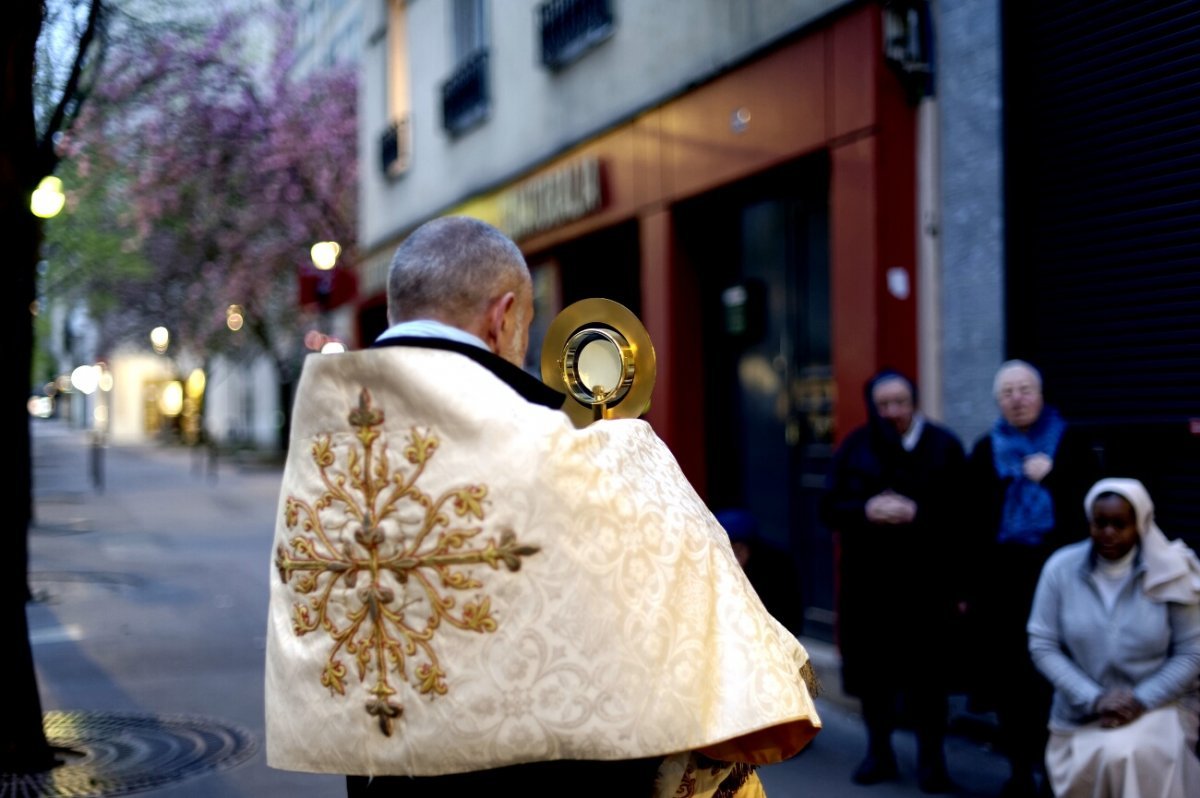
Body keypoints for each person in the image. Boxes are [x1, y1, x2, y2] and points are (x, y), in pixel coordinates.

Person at [263, 216, 821, 798]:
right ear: (503, 317)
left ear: (395, 314)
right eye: (526, 328)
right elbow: (683, 612)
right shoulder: (585, 452)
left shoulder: (326, 442)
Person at [821, 369, 967, 793]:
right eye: (884, 405)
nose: (893, 412)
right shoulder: (854, 447)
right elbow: (829, 508)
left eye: (900, 402)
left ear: (915, 401)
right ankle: (878, 753)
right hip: (870, 586)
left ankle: (932, 763)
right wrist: (866, 510)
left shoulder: (944, 446)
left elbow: (966, 513)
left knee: (930, 678)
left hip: (929, 585)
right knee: (873, 675)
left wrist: (919, 513)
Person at [965, 359, 1100, 797]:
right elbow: (969, 522)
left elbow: (1097, 510)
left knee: (1054, 675)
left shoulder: (1070, 442)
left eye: (1025, 389)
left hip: (1060, 575)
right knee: (1010, 680)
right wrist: (968, 587)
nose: (1017, 398)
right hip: (1003, 583)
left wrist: (1055, 476)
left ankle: (1055, 771)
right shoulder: (986, 449)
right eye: (1007, 392)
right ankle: (1020, 771)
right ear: (998, 401)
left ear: (1041, 395)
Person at [1027, 477, 1200, 798]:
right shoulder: (1060, 569)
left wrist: (1139, 700)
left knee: (1126, 753)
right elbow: (1043, 643)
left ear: (1141, 523)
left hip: (1158, 708)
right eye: (1099, 523)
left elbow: (1192, 652)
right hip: (1079, 710)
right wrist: (1094, 697)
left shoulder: (1175, 571)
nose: (1108, 533)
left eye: (1120, 524)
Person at [716, 507, 806, 637]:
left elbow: (790, 619)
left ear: (750, 547)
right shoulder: (712, 567)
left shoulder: (776, 566)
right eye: (727, 550)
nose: (734, 558)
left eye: (738, 550)